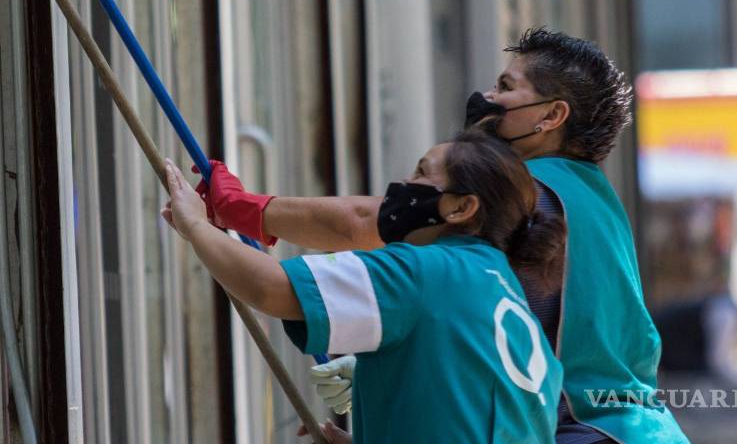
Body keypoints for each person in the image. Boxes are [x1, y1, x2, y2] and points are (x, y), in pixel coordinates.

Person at [200, 29, 687, 443]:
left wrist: (250, 210)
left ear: (551, 116)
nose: (487, 100)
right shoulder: (594, 198)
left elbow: (365, 223)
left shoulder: (532, 194)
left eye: (505, 87)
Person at [164, 131, 566, 443]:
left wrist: (196, 225)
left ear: (461, 208)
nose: (403, 184)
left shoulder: (427, 273)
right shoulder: (508, 302)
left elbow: (271, 288)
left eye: (422, 173)